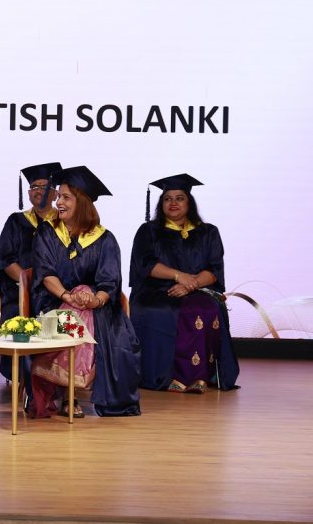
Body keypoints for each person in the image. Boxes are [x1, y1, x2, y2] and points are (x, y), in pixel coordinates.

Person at [30, 165, 141, 418]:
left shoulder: (105, 239)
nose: (58, 202)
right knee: (74, 308)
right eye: (59, 196)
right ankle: (70, 393)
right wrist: (69, 296)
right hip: (53, 301)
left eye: (66, 197)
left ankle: (69, 392)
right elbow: (46, 274)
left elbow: (110, 283)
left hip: (99, 308)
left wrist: (94, 300)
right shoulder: (47, 232)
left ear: (82, 202)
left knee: (85, 309)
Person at [129, 174, 239, 392]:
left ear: (189, 203)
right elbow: (145, 265)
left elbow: (214, 270)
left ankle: (200, 376)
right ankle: (167, 377)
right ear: (161, 203)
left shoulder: (208, 232)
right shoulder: (148, 231)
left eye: (179, 198)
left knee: (205, 308)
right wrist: (179, 276)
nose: (173, 203)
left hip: (198, 288)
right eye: (167, 198)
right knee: (163, 310)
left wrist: (191, 284)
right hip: (155, 290)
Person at [0, 162, 61, 382]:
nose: (38, 191)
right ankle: (22, 377)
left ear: (55, 193)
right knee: (16, 312)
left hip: (54, 293)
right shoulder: (16, 221)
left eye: (44, 186)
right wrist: (29, 284)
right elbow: (5, 260)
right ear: (29, 194)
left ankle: (57, 376)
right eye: (34, 187)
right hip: (20, 292)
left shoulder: (63, 222)